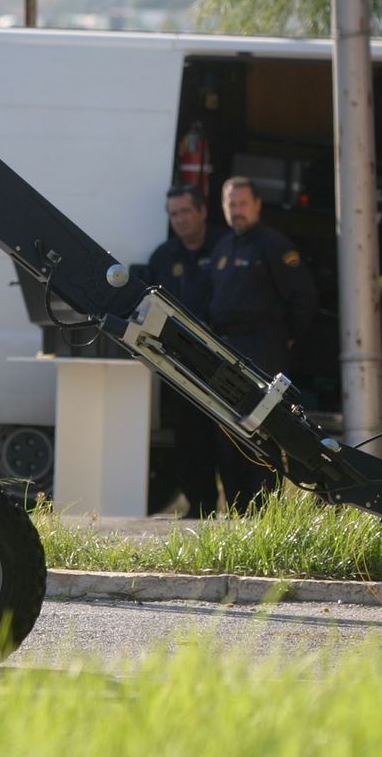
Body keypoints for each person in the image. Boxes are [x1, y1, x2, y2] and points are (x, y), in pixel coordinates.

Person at [207, 175, 320, 511]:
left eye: (242, 204)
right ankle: (236, 509)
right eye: (231, 204)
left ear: (257, 205)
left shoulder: (274, 245)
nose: (237, 211)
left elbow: (304, 297)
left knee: (262, 431)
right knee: (228, 431)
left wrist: (285, 337)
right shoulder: (223, 247)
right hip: (229, 348)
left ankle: (263, 510)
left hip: (262, 349)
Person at [146, 184, 226, 517]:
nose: (179, 219)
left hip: (224, 365)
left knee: (228, 442)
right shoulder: (164, 256)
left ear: (202, 211)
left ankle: (244, 509)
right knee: (189, 441)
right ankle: (200, 508)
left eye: (185, 212)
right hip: (180, 365)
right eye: (173, 214)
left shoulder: (226, 246)